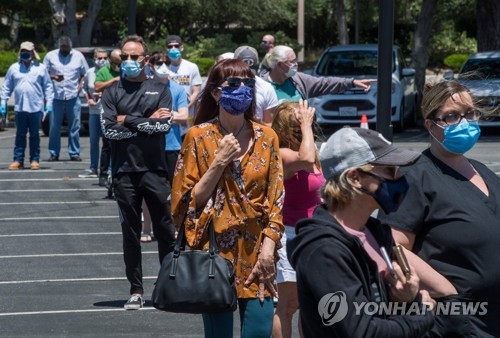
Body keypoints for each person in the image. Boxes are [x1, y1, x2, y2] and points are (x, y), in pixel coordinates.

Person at [171, 59, 284, 338]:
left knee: (259, 330)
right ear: (215, 93)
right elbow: (186, 203)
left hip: (258, 251)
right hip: (214, 252)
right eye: (233, 84)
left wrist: (269, 250)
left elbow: (276, 200)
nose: (242, 89)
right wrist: (219, 161)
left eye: (248, 84)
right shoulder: (198, 137)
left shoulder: (267, 137)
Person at [378, 80, 500, 337]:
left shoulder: (484, 171)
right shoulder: (413, 174)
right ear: (430, 126)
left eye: (469, 113)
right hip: (460, 322)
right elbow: (393, 244)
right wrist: (447, 293)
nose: (464, 122)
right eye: (452, 117)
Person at [287, 126, 435, 337]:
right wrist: (421, 316)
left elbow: (381, 309)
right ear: (355, 178)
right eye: (389, 170)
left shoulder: (374, 232)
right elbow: (361, 331)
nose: (399, 178)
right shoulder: (323, 250)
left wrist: (409, 299)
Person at [100, 35, 176, 310]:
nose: (128, 62)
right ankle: (136, 290)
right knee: (130, 234)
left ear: (145, 60)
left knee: (166, 231)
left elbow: (163, 127)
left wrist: (127, 119)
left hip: (155, 170)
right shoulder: (111, 92)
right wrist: (145, 120)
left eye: (134, 57)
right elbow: (109, 131)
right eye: (124, 57)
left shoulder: (160, 88)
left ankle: (167, 287)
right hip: (124, 173)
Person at [270, 100, 323, 338]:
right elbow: (307, 158)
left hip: (314, 234)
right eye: (299, 122)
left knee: (309, 307)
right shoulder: (284, 154)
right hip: (289, 235)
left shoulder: (310, 149)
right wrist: (306, 127)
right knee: (288, 305)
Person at [140, 51, 189, 243]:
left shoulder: (177, 89)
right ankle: (146, 228)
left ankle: (175, 227)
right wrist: (163, 116)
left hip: (172, 146)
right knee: (148, 190)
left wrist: (164, 115)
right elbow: (139, 115)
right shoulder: (145, 88)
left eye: (165, 62)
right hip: (149, 145)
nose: (162, 65)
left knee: (175, 189)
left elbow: (184, 116)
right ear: (150, 65)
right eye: (158, 62)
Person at [1, 41, 54, 170]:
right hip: (20, 107)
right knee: (20, 134)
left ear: (33, 53)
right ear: (20, 52)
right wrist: (3, 102)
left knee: (35, 135)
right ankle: (18, 160)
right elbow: (7, 86)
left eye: (28, 51)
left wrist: (49, 103)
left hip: (36, 107)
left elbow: (48, 86)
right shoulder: (14, 68)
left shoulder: (40, 68)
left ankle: (34, 160)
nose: (26, 54)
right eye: (24, 51)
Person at [263, 45, 374, 102]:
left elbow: (325, 83)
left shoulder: (299, 80)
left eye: (296, 60)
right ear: (279, 64)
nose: (296, 64)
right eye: (292, 61)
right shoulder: (262, 86)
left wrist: (353, 82)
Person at [43, 36, 88, 162]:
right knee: (54, 127)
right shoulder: (50, 56)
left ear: (70, 47)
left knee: (74, 126)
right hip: (55, 97)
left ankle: (74, 153)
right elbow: (43, 73)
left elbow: (84, 74)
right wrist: (53, 77)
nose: (65, 50)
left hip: (73, 96)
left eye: (67, 48)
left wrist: (79, 89)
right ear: (59, 46)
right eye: (62, 48)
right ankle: (54, 153)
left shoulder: (78, 56)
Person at [78, 48, 109, 178]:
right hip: (93, 111)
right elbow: (84, 88)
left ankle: (108, 168)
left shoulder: (110, 72)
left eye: (104, 58)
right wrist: (88, 99)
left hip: (107, 112)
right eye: (99, 58)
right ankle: (93, 167)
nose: (102, 60)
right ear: (94, 59)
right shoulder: (90, 72)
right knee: (93, 141)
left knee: (108, 142)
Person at [165, 35, 202, 135]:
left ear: (181, 47)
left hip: (188, 118)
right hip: (170, 118)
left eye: (176, 46)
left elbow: (196, 91)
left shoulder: (192, 67)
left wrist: (184, 108)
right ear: (166, 49)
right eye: (170, 46)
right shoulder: (163, 69)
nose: (173, 49)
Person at [94, 48, 121, 187]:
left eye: (120, 62)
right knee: (107, 145)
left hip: (123, 112)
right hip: (108, 112)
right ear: (111, 61)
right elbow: (97, 87)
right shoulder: (103, 72)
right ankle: (103, 174)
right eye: (115, 62)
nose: (118, 65)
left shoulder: (126, 70)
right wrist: (113, 81)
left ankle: (118, 173)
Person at [234, 45, 279, 125]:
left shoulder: (266, 88)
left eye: (250, 74)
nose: (246, 78)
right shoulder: (225, 86)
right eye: (242, 73)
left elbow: (270, 124)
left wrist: (259, 123)